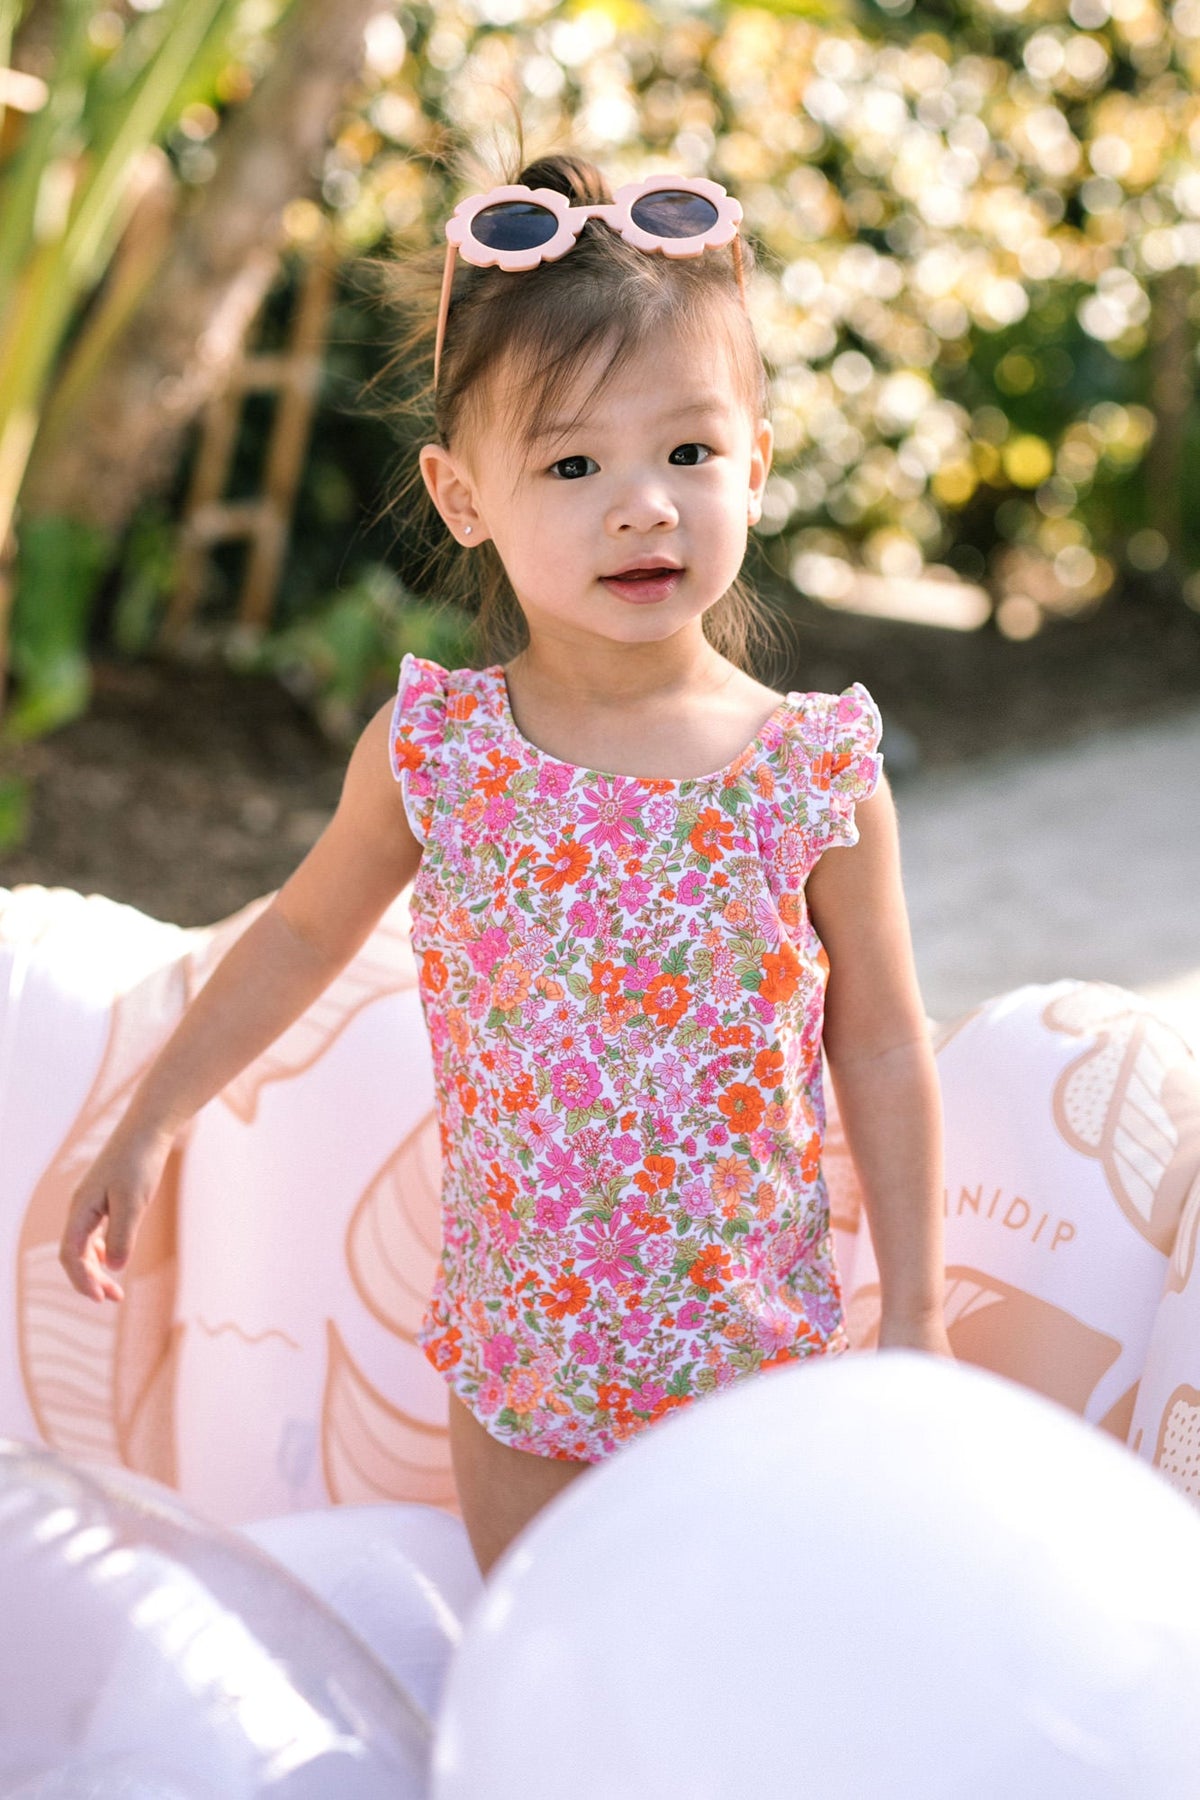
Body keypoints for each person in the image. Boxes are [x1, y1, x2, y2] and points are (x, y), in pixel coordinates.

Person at [60, 150, 952, 1576]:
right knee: (537, 1667)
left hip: (755, 1366)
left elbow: (888, 1044)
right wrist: (154, 1118)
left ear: (757, 463)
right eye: (574, 464)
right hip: (526, 1371)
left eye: (688, 452)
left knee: (722, 1674)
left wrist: (916, 1310)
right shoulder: (443, 752)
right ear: (462, 492)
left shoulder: (810, 773)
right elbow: (296, 936)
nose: (643, 505)